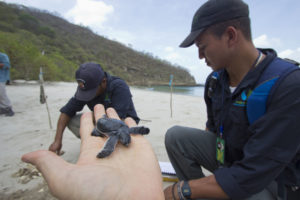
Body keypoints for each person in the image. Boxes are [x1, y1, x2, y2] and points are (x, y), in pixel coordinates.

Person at [164, 0, 300, 200]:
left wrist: (184, 189)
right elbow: (212, 129)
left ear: (230, 35)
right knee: (176, 137)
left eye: (202, 46)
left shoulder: (287, 84)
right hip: (231, 159)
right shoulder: (215, 81)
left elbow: (253, 173)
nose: (200, 56)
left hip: (270, 180)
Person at [22, 104, 165, 200]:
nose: (126, 143)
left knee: (127, 133)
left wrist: (142, 130)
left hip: (114, 124)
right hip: (102, 126)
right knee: (96, 133)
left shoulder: (125, 131)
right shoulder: (115, 135)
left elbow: (134, 131)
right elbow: (110, 144)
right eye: (125, 140)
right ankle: (97, 131)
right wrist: (104, 153)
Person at [49, 62, 140, 155]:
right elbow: (66, 112)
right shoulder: (85, 87)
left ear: (103, 81)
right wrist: (57, 141)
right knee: (71, 120)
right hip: (101, 121)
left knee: (119, 130)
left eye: (91, 92)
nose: (87, 96)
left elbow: (117, 119)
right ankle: (95, 142)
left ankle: (111, 144)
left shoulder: (119, 86)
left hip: (123, 121)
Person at [0, 52, 14, 117]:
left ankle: (8, 108)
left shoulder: (3, 56)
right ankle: (3, 109)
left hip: (2, 78)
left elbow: (7, 66)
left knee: (2, 94)